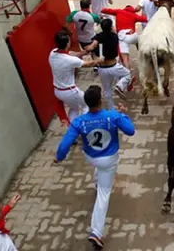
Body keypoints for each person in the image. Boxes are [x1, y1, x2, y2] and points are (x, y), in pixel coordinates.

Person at [55, 86, 135, 250]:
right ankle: (96, 232)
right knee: (103, 194)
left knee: (99, 170)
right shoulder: (112, 116)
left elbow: (65, 144)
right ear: (100, 101)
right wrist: (122, 114)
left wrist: (59, 157)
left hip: (91, 157)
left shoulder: (79, 121)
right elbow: (130, 131)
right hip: (108, 160)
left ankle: (98, 181)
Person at [49, 30, 104, 123]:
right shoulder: (69, 60)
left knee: (74, 108)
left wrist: (85, 51)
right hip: (70, 91)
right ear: (68, 43)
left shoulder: (52, 53)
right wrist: (99, 60)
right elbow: (88, 64)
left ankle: (73, 126)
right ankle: (86, 124)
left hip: (58, 91)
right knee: (86, 104)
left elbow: (72, 54)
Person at [83, 19, 135, 106]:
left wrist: (88, 48)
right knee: (127, 74)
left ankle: (112, 109)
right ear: (111, 27)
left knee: (107, 90)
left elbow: (92, 46)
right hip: (114, 66)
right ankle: (119, 86)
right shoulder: (114, 36)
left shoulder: (98, 37)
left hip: (102, 68)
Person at [100, 5, 148, 69]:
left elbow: (104, 10)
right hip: (132, 36)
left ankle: (128, 74)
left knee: (125, 59)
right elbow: (145, 19)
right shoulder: (134, 15)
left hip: (123, 38)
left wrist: (103, 9)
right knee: (139, 40)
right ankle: (141, 53)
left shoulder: (119, 11)